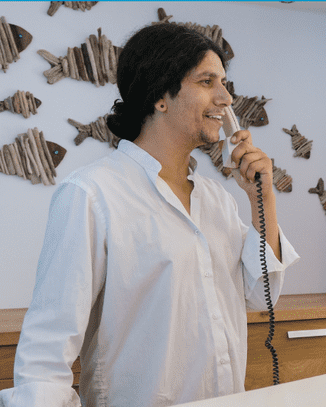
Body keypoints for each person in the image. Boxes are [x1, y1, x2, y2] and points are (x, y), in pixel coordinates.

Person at [0, 23, 300, 407]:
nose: (226, 98)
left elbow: (262, 296)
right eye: (207, 81)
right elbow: (46, 354)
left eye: (225, 83)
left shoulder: (217, 199)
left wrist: (264, 196)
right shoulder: (92, 195)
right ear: (160, 95)